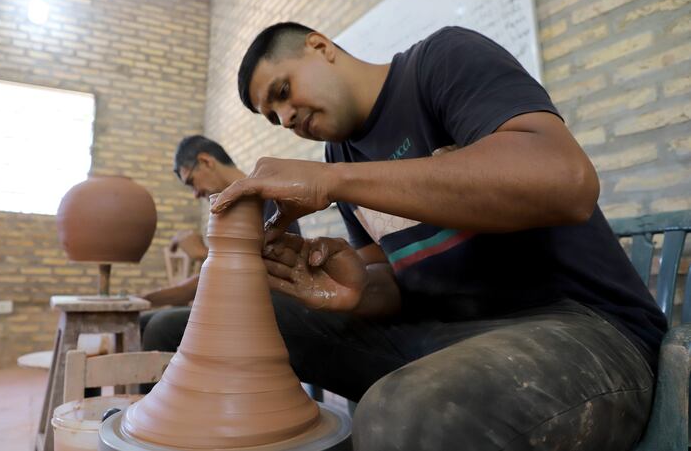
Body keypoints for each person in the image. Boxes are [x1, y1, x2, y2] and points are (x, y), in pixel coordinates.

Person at [209, 22, 667, 451]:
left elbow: (565, 180)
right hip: (444, 336)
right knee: (243, 313)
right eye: (273, 117)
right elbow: (391, 282)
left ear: (321, 47)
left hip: (582, 327)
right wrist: (358, 285)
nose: (286, 118)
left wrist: (333, 181)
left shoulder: (441, 62)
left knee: (401, 412)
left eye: (283, 93)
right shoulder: (340, 154)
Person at [139, 134, 300, 352]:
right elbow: (209, 278)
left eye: (191, 182)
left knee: (160, 327)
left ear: (206, 161)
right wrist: (142, 300)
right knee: (142, 322)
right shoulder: (228, 210)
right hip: (237, 302)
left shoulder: (267, 196)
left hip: (270, 306)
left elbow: (269, 274)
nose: (195, 194)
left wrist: (202, 253)